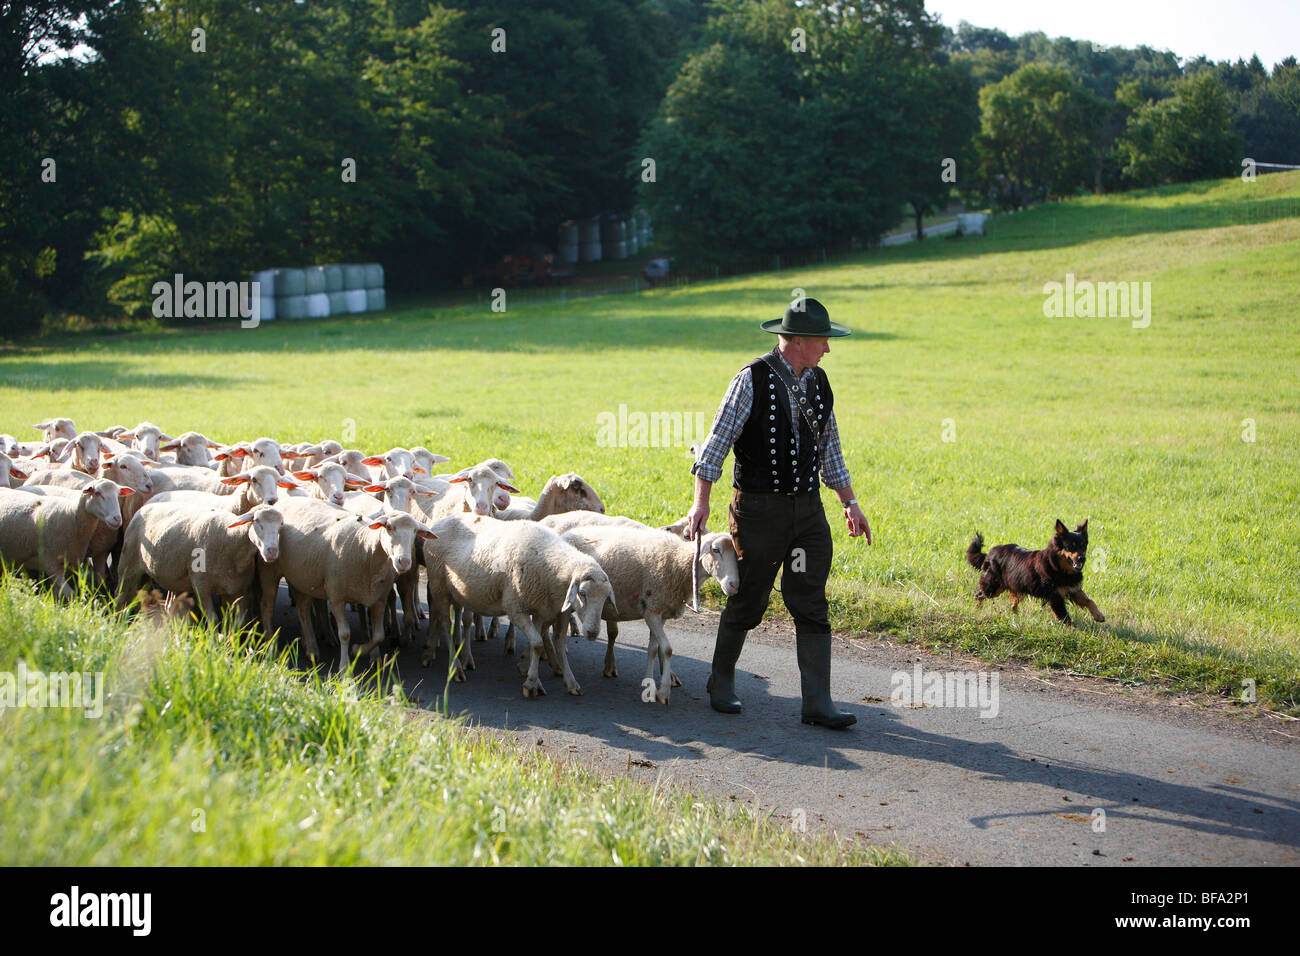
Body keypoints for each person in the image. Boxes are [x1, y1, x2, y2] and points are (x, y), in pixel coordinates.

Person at [685, 297, 870, 729]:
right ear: (801, 341)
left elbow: (831, 453)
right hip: (758, 511)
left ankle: (817, 702)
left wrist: (850, 502)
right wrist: (701, 502)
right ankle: (721, 681)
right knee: (749, 595)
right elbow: (715, 447)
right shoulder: (750, 379)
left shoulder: (820, 383)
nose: (828, 348)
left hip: (807, 512)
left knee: (809, 598)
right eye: (823, 340)